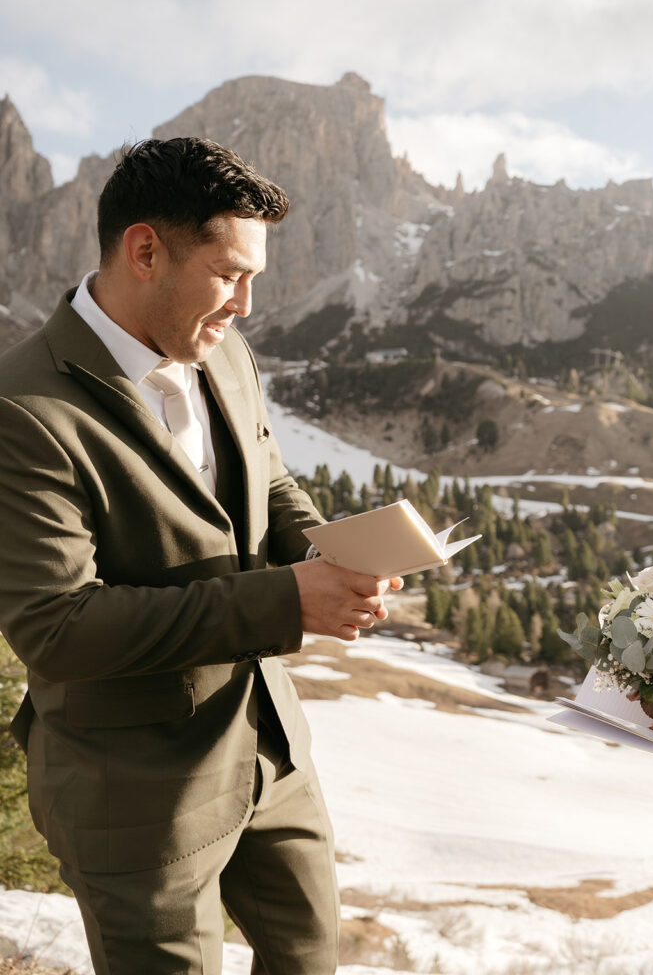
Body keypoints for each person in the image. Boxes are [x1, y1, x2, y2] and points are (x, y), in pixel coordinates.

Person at [0, 137, 401, 975]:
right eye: (229, 275)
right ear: (145, 251)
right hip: (135, 794)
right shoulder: (22, 409)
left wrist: (334, 550)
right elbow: (57, 629)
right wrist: (289, 600)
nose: (246, 305)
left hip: (270, 751)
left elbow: (267, 479)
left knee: (312, 961)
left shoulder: (224, 351)